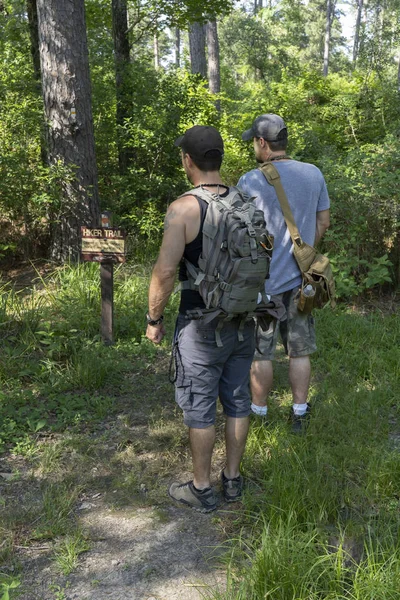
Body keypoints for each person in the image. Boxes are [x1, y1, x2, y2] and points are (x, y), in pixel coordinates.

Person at [146, 125, 256, 512]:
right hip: (245, 318)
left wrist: (153, 318)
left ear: (187, 160)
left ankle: (201, 488)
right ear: (219, 159)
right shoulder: (247, 201)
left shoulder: (184, 208)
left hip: (199, 323)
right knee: (238, 400)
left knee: (200, 406)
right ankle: (233, 480)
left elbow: (164, 270)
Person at [238, 114, 330, 432]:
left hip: (262, 283)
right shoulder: (313, 174)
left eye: (254, 140)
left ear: (263, 143)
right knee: (299, 349)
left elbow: (240, 233)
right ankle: (299, 414)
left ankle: (259, 416)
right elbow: (323, 223)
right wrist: (303, 255)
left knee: (261, 352)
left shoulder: (249, 181)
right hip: (303, 281)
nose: (254, 145)